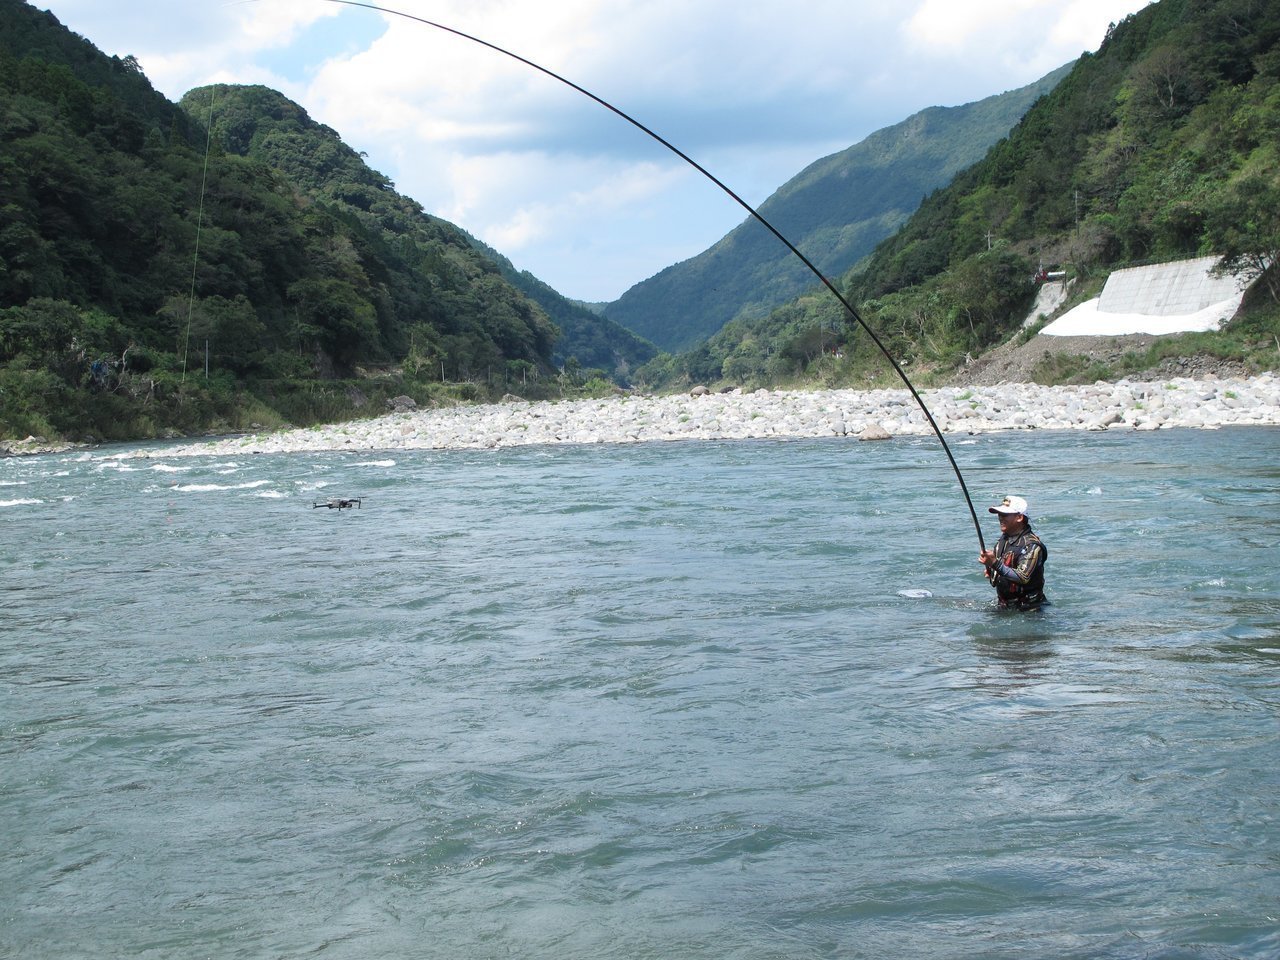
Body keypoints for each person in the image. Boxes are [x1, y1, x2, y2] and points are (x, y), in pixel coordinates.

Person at [978, 495, 1047, 610]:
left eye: (1004, 515)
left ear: (1019, 517)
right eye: (999, 514)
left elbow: (1022, 576)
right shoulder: (1003, 541)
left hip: (1030, 610)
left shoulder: (1032, 545)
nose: (1000, 518)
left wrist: (995, 564)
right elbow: (996, 579)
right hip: (1004, 606)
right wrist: (991, 569)